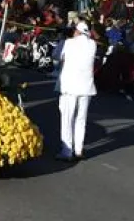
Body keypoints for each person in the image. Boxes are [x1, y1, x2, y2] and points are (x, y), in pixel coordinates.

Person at [55, 20, 98, 162]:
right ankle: (78, 149)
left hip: (70, 86)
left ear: (77, 31)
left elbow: (57, 56)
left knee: (67, 119)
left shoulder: (68, 43)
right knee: (81, 119)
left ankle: (67, 151)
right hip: (86, 87)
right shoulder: (92, 45)